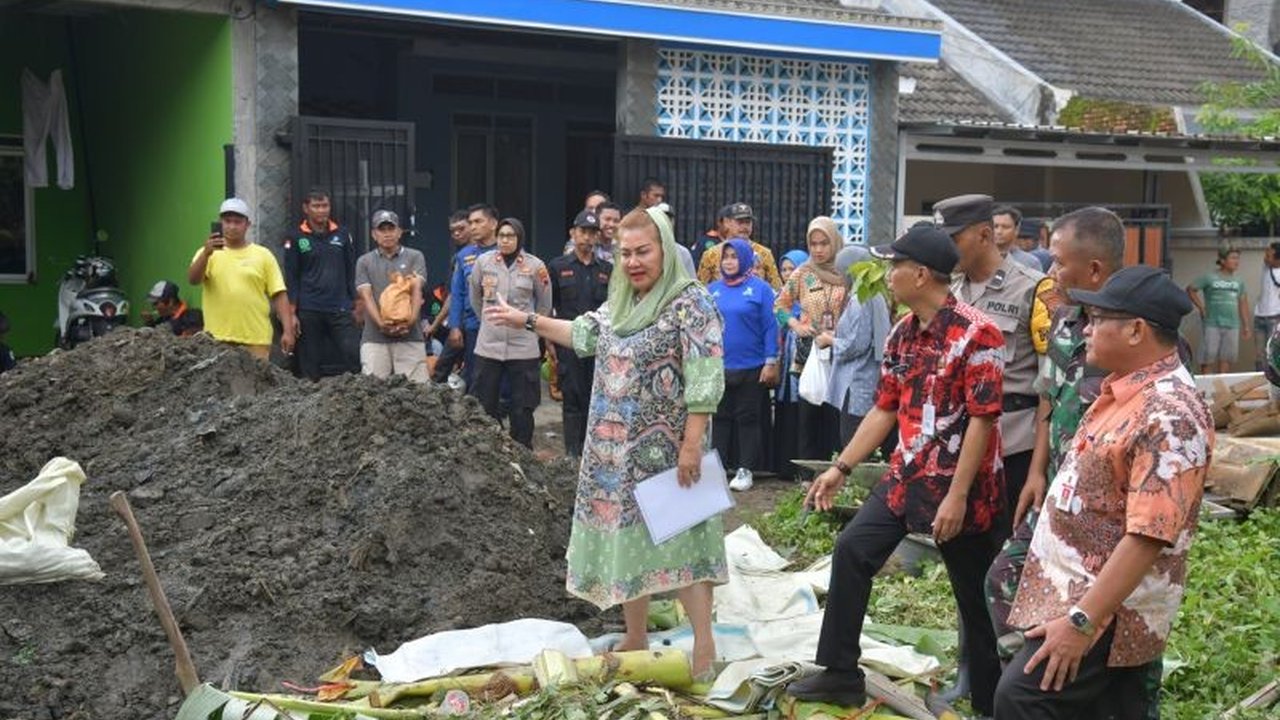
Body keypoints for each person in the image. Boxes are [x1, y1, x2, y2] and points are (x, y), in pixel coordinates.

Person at [483, 207, 726, 679]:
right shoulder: (620, 301)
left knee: (687, 551)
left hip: (670, 451)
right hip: (615, 453)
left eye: (644, 252)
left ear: (666, 251)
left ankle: (704, 646)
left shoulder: (690, 302)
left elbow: (705, 377)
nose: (634, 262)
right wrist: (524, 320)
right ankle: (636, 636)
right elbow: (582, 334)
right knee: (628, 545)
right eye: (626, 253)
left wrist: (692, 445)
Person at [786, 224, 1004, 715]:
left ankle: (991, 704)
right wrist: (841, 467)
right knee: (853, 550)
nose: (888, 274)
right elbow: (885, 408)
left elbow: (982, 421)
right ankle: (841, 672)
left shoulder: (978, 334)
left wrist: (958, 496)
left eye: (894, 266)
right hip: (908, 477)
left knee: (974, 597)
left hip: (960, 487)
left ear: (921, 274)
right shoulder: (904, 332)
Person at [995, 266, 1212, 719]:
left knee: (1021, 698)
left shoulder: (1169, 412)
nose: (1086, 330)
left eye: (1097, 319)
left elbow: (1148, 535)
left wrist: (1081, 622)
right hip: (1079, 597)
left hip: (1108, 613)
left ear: (1135, 330)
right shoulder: (1124, 390)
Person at [983, 207, 1167, 718]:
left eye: (1058, 261)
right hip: (1066, 493)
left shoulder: (1144, 342)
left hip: (1114, 515)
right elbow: (1049, 398)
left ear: (1093, 269)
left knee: (1128, 641)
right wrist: (1039, 471)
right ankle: (1045, 687)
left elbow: (1153, 508)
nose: (1050, 272)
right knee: (1004, 579)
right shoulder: (1066, 321)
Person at [946, 194, 1056, 544]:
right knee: (961, 552)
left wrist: (1038, 469)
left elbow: (1048, 387)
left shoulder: (1034, 289)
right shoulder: (951, 292)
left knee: (1005, 557)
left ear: (982, 234)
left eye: (954, 239)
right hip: (959, 447)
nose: (947, 250)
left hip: (1013, 446)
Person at [469, 218, 552, 448]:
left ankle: (522, 452)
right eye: (501, 235)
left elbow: (544, 304)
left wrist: (532, 329)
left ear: (520, 238)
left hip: (523, 346)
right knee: (484, 404)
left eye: (510, 236)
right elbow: (475, 298)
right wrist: (487, 321)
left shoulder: (536, 266)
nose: (505, 240)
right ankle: (489, 451)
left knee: (523, 406)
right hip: (489, 345)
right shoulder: (483, 262)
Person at [708, 238, 779, 491]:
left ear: (746, 259)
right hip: (719, 366)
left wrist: (771, 361)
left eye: (734, 256)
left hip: (752, 366)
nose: (729, 261)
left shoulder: (761, 289)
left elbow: (771, 327)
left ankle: (745, 469)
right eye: (725, 256)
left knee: (748, 419)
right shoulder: (711, 289)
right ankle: (716, 470)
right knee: (720, 418)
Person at [774, 217, 846, 462]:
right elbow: (780, 306)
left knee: (835, 413)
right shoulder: (802, 273)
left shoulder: (846, 271)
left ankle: (834, 469)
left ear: (834, 242)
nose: (818, 249)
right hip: (808, 352)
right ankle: (806, 474)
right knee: (808, 413)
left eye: (824, 243)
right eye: (813, 244)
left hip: (839, 349)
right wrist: (795, 325)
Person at [187, 197, 296, 360]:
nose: (232, 226)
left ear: (247, 225)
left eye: (237, 222)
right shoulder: (207, 253)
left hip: (256, 339)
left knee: (256, 384)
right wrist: (205, 254)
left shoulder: (263, 255)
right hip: (217, 339)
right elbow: (193, 280)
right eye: (227, 221)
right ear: (220, 223)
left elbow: (279, 294)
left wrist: (288, 331)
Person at [548, 209, 613, 457]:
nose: (587, 237)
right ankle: (572, 454)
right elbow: (548, 307)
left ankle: (592, 452)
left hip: (599, 344)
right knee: (572, 397)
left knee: (596, 398)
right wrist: (550, 341)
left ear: (598, 237)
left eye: (592, 233)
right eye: (582, 231)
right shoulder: (558, 266)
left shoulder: (607, 269)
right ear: (573, 233)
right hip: (569, 342)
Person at [282, 189, 360, 380]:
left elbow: (351, 270)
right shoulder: (295, 237)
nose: (321, 211)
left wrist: (358, 303)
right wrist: (292, 313)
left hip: (340, 307)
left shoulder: (342, 234)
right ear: (306, 208)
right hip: (309, 309)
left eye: (325, 206)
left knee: (354, 356)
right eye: (316, 206)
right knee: (309, 365)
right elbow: (291, 277)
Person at [823, 245, 893, 454]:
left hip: (859, 382)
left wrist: (830, 340)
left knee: (855, 443)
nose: (840, 277)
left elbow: (856, 344)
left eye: (841, 271)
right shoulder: (875, 294)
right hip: (870, 380)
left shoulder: (861, 298)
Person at [354, 210, 428, 382]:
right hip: (374, 338)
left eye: (391, 229)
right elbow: (366, 296)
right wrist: (381, 324)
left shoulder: (415, 257)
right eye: (382, 229)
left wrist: (410, 322)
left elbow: (417, 291)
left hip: (410, 335)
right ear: (374, 234)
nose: (387, 234)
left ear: (400, 232)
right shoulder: (364, 261)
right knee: (373, 393)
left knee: (417, 392)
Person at [443, 203, 499, 391]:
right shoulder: (464, 256)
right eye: (471, 222)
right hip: (474, 325)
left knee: (504, 383)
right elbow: (457, 294)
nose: (473, 226)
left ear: (493, 224)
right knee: (477, 378)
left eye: (478, 222)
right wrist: (455, 326)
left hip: (504, 325)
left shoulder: (506, 250)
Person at [771, 249, 809, 480]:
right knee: (784, 411)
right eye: (783, 269)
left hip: (802, 364)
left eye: (792, 268)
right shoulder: (781, 299)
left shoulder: (809, 297)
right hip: (784, 364)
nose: (787, 273)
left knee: (801, 413)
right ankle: (783, 466)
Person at [1188, 247, 1250, 374]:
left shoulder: (1239, 281)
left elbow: (1243, 303)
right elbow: (1191, 289)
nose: (1236, 261)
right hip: (1212, 323)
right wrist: (1201, 307)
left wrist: (1246, 325)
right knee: (1208, 358)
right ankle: (1206, 391)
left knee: (1226, 358)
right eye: (1233, 258)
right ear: (1222, 260)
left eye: (1237, 258)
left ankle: (1221, 390)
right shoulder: (1209, 277)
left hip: (1232, 325)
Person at [697, 203, 782, 289]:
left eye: (748, 222)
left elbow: (776, 289)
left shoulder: (764, 254)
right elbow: (701, 290)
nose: (745, 227)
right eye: (740, 222)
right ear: (727, 223)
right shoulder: (711, 255)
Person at [1253, 241, 1280, 371]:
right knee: (1259, 354)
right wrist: (1271, 248)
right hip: (1259, 316)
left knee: (1271, 353)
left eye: (1269, 255)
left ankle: (1271, 380)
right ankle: (1259, 378)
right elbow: (1266, 255)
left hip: (1274, 317)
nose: (1266, 257)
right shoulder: (1266, 268)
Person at [993, 205, 1043, 271]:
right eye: (995, 226)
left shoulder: (1030, 262)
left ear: (1016, 229)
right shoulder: (978, 259)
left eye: (1005, 227)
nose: (999, 231)